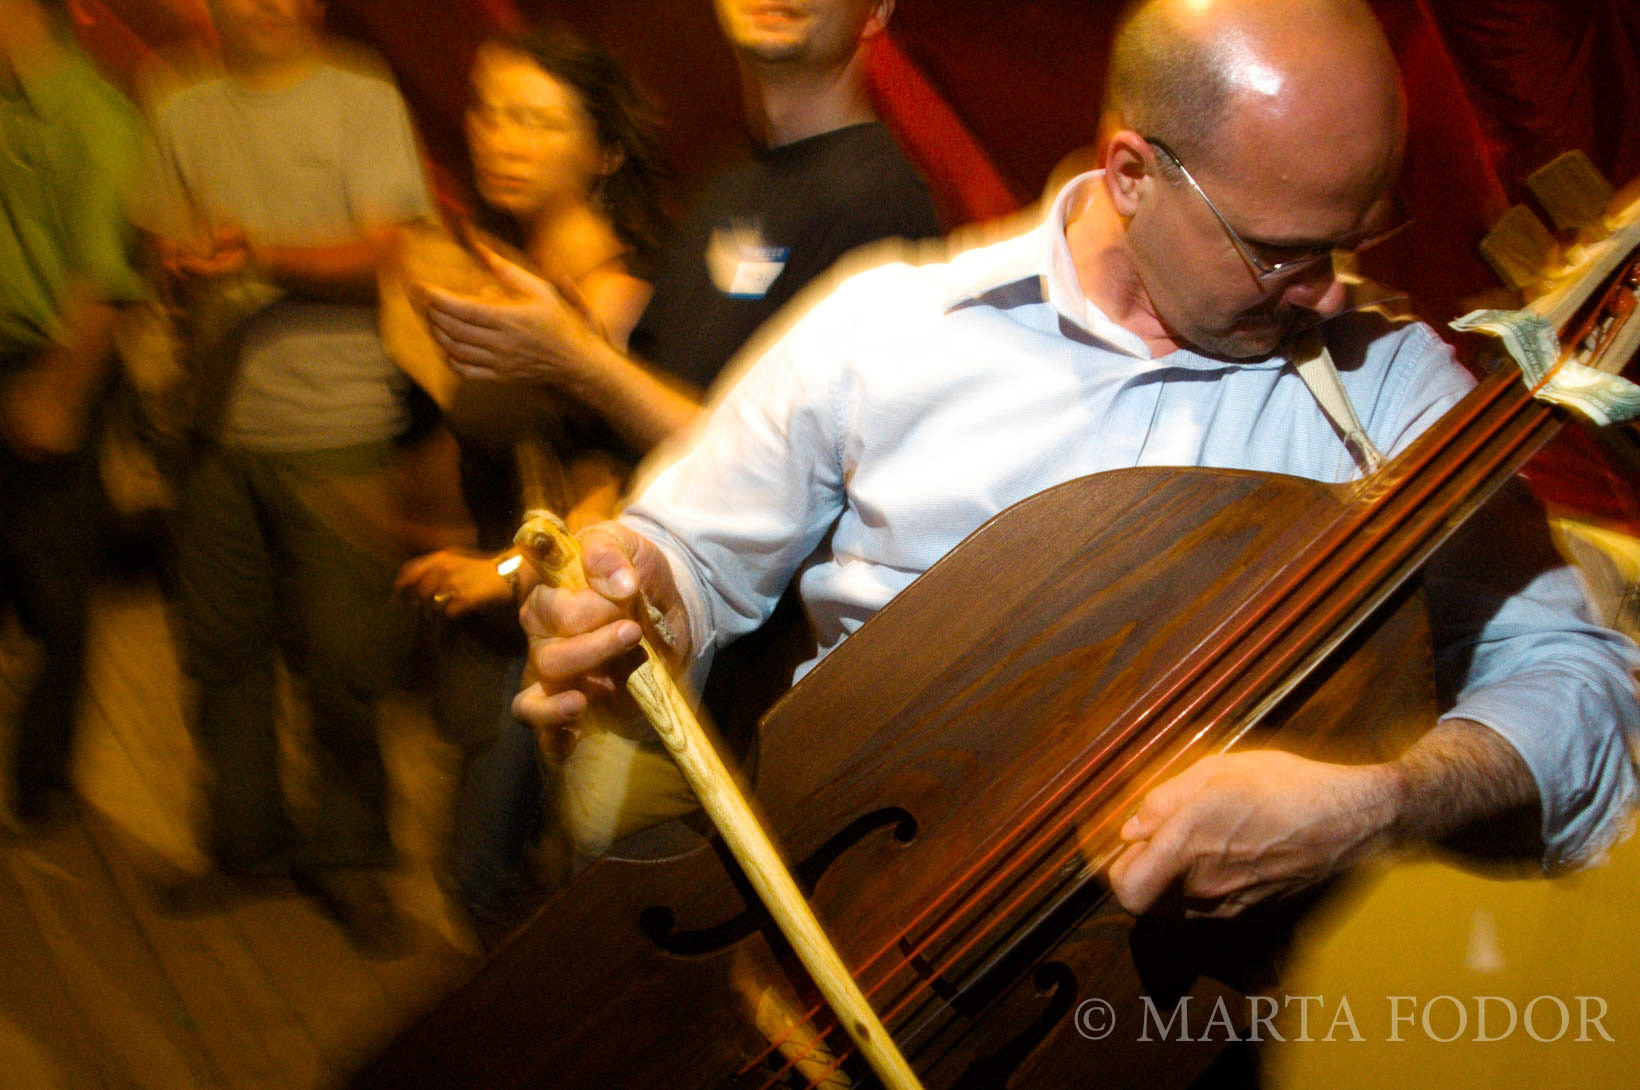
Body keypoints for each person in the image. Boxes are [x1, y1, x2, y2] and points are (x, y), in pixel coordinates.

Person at [512, 0, 1640, 922]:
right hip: (840, 917)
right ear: (1132, 173)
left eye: (1349, 241)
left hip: (1157, 1019)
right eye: (1280, 252)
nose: (1331, 290)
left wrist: (1376, 804)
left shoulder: (1393, 396)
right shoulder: (885, 327)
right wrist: (636, 594)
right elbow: (689, 556)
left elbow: (1587, 689)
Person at [415, 0, 941, 943]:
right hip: (625, 644)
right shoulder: (732, 180)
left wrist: (575, 358)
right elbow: (668, 429)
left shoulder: (879, 205)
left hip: (727, 705)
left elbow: (800, 479)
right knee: (534, 897)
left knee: (624, 951)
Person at [131, 0, 435, 951]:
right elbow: (155, 241)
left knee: (345, 667)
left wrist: (258, 256)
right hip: (214, 431)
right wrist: (176, 269)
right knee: (221, 658)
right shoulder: (179, 103)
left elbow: (391, 251)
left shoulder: (361, 95)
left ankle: (351, 857)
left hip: (336, 428)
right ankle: (243, 843)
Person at [381, 23, 671, 941]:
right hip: (486, 612)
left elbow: (629, 485)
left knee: (494, 880)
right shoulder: (505, 270)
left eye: (537, 121)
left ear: (606, 151)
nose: (503, 137)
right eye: (490, 111)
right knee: (476, 864)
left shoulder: (615, 301)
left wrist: (499, 570)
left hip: (550, 625)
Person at [0, 0, 147, 829]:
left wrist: (58, 393)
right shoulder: (9, 101)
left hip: (51, 362)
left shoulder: (96, 118)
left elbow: (101, 285)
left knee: (57, 591)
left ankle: (43, 782)